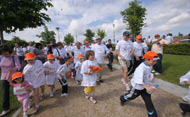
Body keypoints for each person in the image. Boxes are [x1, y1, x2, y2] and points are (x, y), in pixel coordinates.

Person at [120, 51, 159, 117]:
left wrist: (149, 82)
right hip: (137, 87)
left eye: (155, 61)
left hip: (144, 86)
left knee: (148, 101)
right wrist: (147, 87)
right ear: (147, 59)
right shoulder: (140, 68)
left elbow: (147, 75)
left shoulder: (149, 65)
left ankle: (152, 115)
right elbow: (138, 81)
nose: (155, 63)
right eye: (153, 61)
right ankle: (122, 98)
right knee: (131, 96)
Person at [0, 45, 21, 116]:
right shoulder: (1, 58)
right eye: (2, 52)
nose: (4, 53)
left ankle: (25, 101)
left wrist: (13, 69)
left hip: (14, 77)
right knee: (5, 93)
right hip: (4, 78)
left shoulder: (14, 57)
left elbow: (18, 66)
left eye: (5, 51)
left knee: (19, 90)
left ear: (8, 51)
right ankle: (6, 109)